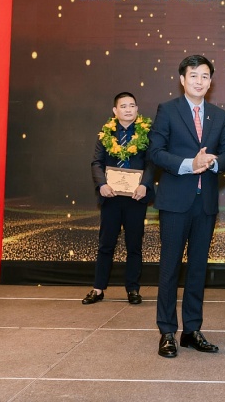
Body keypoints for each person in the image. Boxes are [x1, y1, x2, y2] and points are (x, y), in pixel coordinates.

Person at [149, 55, 225, 358]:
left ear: (211, 81)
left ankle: (192, 330)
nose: (200, 81)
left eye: (205, 76)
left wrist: (213, 161)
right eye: (194, 75)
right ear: (182, 79)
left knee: (198, 269)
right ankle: (167, 331)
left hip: (205, 203)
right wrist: (189, 163)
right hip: (175, 202)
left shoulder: (218, 115)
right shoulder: (168, 110)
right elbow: (155, 152)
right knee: (170, 267)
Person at [83, 92, 156, 306]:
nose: (128, 109)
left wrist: (144, 185)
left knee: (134, 246)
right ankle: (98, 289)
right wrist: (102, 184)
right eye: (123, 106)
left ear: (137, 109)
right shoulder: (105, 133)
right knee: (106, 244)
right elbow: (96, 163)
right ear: (115, 111)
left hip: (136, 197)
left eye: (132, 105)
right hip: (111, 197)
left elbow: (152, 163)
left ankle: (133, 289)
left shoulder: (147, 133)